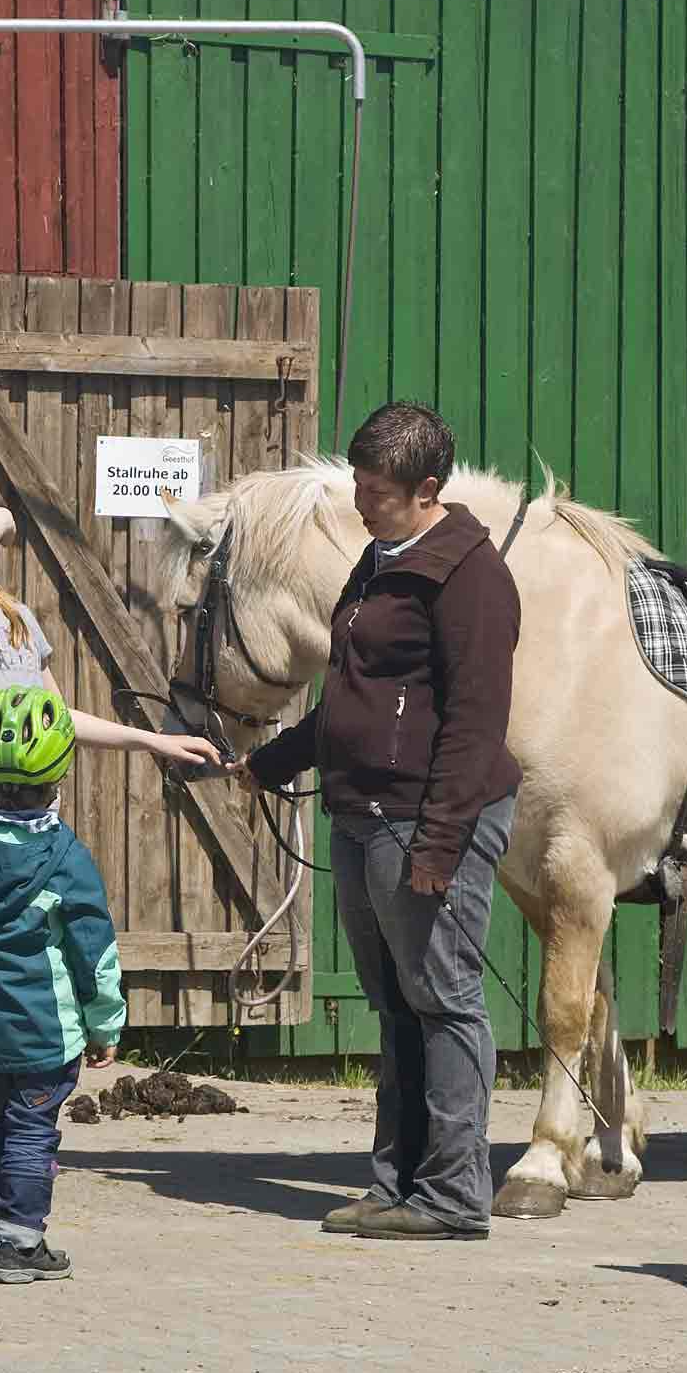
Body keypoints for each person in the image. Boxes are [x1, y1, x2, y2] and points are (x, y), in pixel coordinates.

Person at [0, 488, 219, 1205]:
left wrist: (148, 738)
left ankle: (14, 1133)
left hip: (32, 822)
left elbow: (54, 713)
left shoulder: (17, 620)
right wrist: (4, 513)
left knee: (30, 980)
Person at [238, 402, 520, 1242]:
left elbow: (476, 721)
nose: (361, 500)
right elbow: (352, 698)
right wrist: (273, 760)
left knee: (445, 1001)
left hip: (423, 820)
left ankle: (455, 1195)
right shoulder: (379, 557)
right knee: (397, 1002)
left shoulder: (468, 576)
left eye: (377, 489)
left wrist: (441, 842)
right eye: (358, 481)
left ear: (426, 489)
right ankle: (396, 1184)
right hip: (363, 813)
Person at [0, 687, 122, 1284]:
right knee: (32, 1133)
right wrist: (105, 1022)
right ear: (58, 772)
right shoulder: (64, 856)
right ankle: (19, 1244)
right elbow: (94, 951)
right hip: (45, 1031)